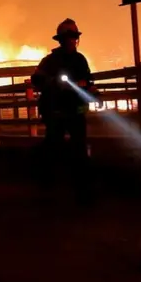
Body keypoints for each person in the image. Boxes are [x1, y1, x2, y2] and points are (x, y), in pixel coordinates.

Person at [31, 18, 97, 194]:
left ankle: (82, 191)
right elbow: (36, 79)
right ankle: (47, 188)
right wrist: (53, 83)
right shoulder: (50, 61)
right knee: (53, 148)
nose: (72, 40)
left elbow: (88, 80)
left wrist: (91, 90)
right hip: (56, 111)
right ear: (60, 39)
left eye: (74, 36)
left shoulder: (80, 60)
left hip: (76, 111)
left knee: (80, 149)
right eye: (68, 36)